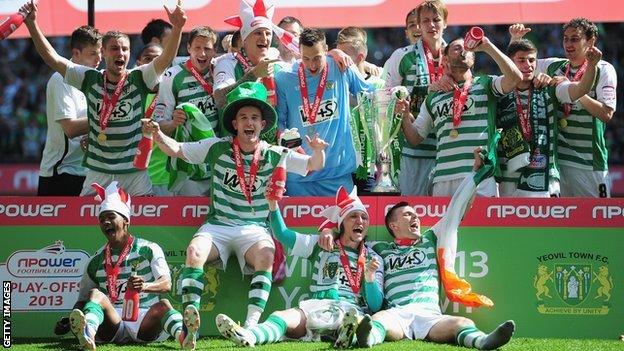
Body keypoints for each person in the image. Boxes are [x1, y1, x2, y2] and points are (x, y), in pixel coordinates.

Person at [142, 81, 328, 347]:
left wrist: (318, 150)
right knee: (194, 252)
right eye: (243, 117)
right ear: (235, 124)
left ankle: (250, 326)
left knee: (266, 254)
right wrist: (158, 134)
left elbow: (312, 165)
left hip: (254, 229)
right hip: (217, 225)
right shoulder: (217, 148)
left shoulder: (276, 154)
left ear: (263, 124)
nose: (249, 122)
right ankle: (188, 326)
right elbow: (177, 150)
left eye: (254, 117)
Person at [347, 146, 516, 350]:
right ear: (393, 226)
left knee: (462, 323)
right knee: (379, 319)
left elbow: (457, 207)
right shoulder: (380, 248)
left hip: (430, 315)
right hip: (397, 313)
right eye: (408, 215)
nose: (415, 217)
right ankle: (367, 339)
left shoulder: (431, 238)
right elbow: (349, 236)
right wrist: (328, 231)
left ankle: (482, 341)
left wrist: (475, 174)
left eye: (415, 214)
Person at [20, 0, 187, 197]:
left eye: (124, 49)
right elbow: (52, 58)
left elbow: (166, 59)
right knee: (85, 225)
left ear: (130, 53)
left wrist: (177, 27)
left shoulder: (139, 77)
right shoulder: (90, 79)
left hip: (135, 173)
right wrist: (31, 24)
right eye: (114, 48)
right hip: (98, 172)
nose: (120, 53)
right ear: (105, 52)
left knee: (146, 224)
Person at [215, 185, 383, 348]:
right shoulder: (320, 244)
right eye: (353, 216)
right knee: (281, 317)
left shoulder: (373, 258)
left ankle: (349, 337)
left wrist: (369, 278)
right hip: (318, 306)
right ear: (341, 223)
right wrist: (273, 206)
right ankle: (249, 335)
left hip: (351, 310)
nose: (360, 221)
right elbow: (282, 234)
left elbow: (375, 305)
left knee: (357, 323)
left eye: (364, 217)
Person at [400, 32, 523, 197]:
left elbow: (515, 78)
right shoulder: (434, 96)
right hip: (443, 178)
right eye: (457, 48)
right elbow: (415, 138)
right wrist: (405, 113)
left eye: (467, 49)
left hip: (480, 175)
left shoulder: (486, 84)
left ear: (473, 59)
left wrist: (488, 47)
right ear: (446, 59)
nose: (463, 51)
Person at [68, 181, 187, 350]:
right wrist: (71, 321)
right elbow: (81, 302)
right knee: (95, 294)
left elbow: (166, 284)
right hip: (112, 320)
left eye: (111, 217)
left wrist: (144, 286)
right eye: (102, 219)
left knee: (164, 306)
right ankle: (88, 335)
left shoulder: (149, 249)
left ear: (125, 221)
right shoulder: (95, 261)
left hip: (144, 317)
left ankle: (185, 338)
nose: (105, 222)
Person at [510, 19, 617, 198]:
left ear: (590, 41)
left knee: (595, 223)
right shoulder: (554, 66)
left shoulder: (604, 69)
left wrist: (574, 90)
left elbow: (606, 114)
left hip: (588, 163)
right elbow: (519, 66)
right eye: (565, 39)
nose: (568, 44)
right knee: (559, 223)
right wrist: (515, 40)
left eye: (575, 39)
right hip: (556, 164)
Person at [497, 38, 602, 197]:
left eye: (532, 60)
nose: (528, 65)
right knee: (510, 223)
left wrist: (592, 66)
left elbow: (581, 89)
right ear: (511, 63)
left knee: (546, 223)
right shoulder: (499, 91)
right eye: (521, 60)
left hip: (545, 175)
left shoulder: (550, 87)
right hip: (509, 176)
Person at [275, 27, 374, 196]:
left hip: (338, 174)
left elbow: (369, 92)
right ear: (299, 53)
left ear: (326, 50)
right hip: (300, 175)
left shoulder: (341, 66)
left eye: (317, 58)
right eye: (306, 58)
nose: (312, 65)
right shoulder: (284, 78)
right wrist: (291, 147)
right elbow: (280, 122)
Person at [382, 0, 448, 196]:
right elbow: (386, 97)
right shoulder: (402, 56)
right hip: (413, 151)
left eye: (436, 19)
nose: (431, 25)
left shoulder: (456, 55)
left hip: (447, 151)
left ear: (445, 23)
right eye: (425, 21)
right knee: (413, 209)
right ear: (419, 24)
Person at [155, 26, 219, 196]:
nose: (202, 54)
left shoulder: (220, 72)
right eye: (197, 48)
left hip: (219, 164)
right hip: (189, 166)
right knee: (189, 219)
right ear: (188, 48)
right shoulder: (172, 76)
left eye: (207, 48)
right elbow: (159, 124)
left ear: (215, 51)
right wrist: (173, 123)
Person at [38, 26, 101, 196]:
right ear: (76, 53)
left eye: (100, 52)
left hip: (87, 172)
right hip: (61, 172)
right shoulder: (61, 79)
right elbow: (71, 129)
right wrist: (109, 117)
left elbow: (89, 124)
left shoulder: (95, 80)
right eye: (93, 53)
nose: (99, 58)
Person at [335, 26, 385, 194]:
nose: (339, 58)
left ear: (360, 56)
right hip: (339, 165)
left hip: (367, 164)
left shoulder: (379, 82)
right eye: (337, 52)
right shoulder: (332, 82)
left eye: (345, 55)